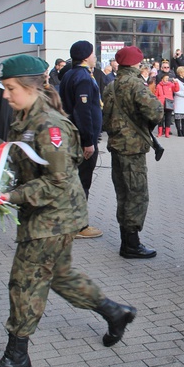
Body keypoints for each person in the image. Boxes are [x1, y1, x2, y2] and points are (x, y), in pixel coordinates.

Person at [0, 55, 136, 367]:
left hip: (54, 216)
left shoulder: (49, 126)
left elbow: (57, 179)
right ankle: (114, 312)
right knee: (59, 275)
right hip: (47, 213)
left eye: (10, 89)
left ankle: (16, 357)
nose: (5, 95)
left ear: (31, 87)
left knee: (25, 282)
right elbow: (17, 160)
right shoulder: (24, 118)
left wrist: (8, 197)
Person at [102, 46, 164, 259]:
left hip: (116, 145)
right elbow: (156, 111)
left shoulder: (111, 86)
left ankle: (126, 241)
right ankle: (132, 244)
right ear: (136, 63)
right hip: (133, 148)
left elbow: (105, 117)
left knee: (123, 193)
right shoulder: (136, 84)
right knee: (137, 194)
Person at [59, 40, 104, 239]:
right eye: (93, 54)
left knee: (74, 181)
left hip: (72, 134)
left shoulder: (69, 73)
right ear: (86, 56)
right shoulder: (83, 77)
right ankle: (79, 225)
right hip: (81, 137)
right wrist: (88, 141)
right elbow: (83, 111)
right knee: (81, 182)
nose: (95, 57)